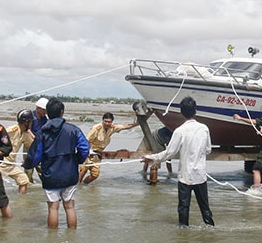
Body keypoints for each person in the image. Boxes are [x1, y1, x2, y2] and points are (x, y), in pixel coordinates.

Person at [141, 96, 214, 227]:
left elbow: (169, 153)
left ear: (181, 112)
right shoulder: (204, 128)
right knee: (205, 207)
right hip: (200, 175)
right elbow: (208, 150)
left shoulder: (179, 131)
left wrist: (151, 157)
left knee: (183, 207)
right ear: (195, 111)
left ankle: (183, 234)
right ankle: (211, 228)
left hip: (185, 176)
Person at [23, 98, 90, 228]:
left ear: (47, 113)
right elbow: (84, 148)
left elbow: (35, 154)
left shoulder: (42, 132)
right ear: (62, 112)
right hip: (70, 173)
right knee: (70, 207)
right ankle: (71, 239)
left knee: (53, 208)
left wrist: (27, 164)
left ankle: (52, 241)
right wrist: (77, 160)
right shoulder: (73, 130)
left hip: (50, 174)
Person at [79, 112, 138, 184]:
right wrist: (88, 151)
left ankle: (83, 185)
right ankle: (77, 187)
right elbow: (87, 140)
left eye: (109, 122)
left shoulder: (112, 128)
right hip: (89, 152)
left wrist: (138, 123)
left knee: (95, 175)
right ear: (103, 120)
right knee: (83, 170)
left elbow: (125, 126)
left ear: (112, 122)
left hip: (98, 154)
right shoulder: (96, 128)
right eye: (105, 121)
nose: (107, 123)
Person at [0, 109, 33, 193]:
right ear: (25, 123)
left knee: (24, 180)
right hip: (1, 163)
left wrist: (27, 160)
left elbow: (32, 146)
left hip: (11, 163)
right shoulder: (11, 130)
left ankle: (22, 202)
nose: (31, 124)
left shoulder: (25, 135)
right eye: (30, 122)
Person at [26, 97, 49, 183]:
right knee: (28, 169)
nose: (45, 112)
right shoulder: (30, 116)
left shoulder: (44, 119)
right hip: (30, 145)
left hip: (40, 146)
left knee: (41, 168)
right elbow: (27, 129)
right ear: (38, 108)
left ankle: (46, 184)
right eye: (44, 110)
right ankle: (28, 186)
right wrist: (35, 138)